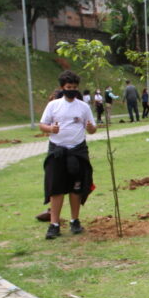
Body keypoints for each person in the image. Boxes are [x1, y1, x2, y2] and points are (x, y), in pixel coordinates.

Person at [38, 71, 97, 240]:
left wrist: (90, 127)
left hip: (78, 151)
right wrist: (51, 129)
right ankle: (54, 224)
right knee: (56, 188)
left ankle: (75, 221)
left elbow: (92, 129)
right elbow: (42, 125)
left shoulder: (83, 106)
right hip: (57, 151)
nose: (72, 90)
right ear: (62, 88)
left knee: (76, 188)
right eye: (68, 87)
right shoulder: (53, 105)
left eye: (75, 88)